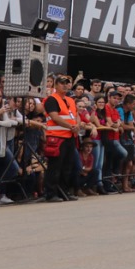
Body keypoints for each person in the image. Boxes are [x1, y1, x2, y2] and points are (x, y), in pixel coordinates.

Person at [43, 75, 80, 203]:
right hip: (57, 137)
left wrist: (77, 125)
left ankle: (63, 191)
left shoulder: (70, 100)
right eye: (62, 83)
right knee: (55, 166)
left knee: (67, 166)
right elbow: (54, 116)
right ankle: (51, 193)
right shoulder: (51, 99)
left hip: (69, 136)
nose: (65, 85)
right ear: (56, 85)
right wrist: (71, 126)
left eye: (67, 83)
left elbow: (76, 115)